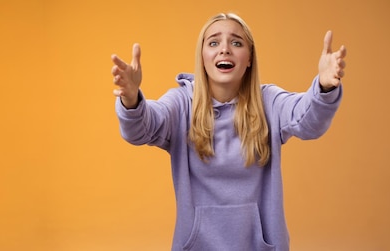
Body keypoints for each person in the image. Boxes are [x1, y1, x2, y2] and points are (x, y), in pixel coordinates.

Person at [110, 13, 346, 251]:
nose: (225, 50)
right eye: (213, 43)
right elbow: (142, 129)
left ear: (250, 58)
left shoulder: (269, 101)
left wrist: (324, 88)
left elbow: (307, 120)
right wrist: (131, 101)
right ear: (202, 58)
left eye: (236, 42)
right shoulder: (182, 103)